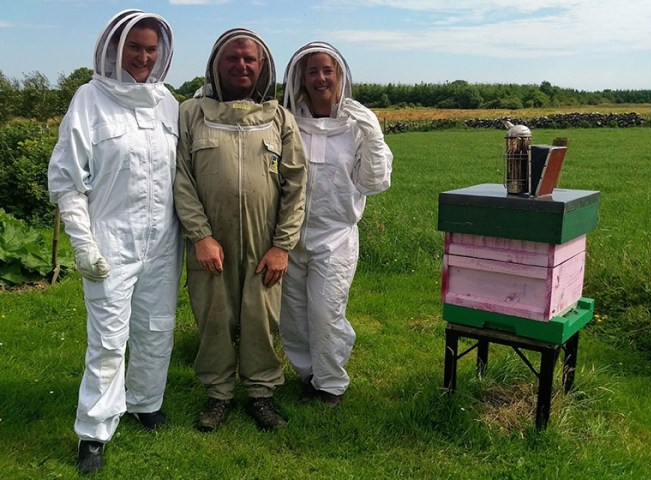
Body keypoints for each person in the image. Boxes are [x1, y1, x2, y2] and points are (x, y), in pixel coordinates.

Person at [47, 9, 182, 475]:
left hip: (164, 241)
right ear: (114, 48)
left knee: (157, 326)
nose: (144, 57)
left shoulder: (168, 103)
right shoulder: (88, 100)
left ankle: (146, 401)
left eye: (151, 50)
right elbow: (67, 180)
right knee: (107, 339)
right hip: (111, 240)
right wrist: (83, 243)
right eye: (135, 48)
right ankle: (95, 431)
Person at [173, 29, 307, 432]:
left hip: (265, 244)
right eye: (232, 58)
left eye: (250, 59)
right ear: (216, 64)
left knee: (260, 318)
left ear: (262, 65)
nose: (241, 65)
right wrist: (200, 235)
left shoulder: (280, 118)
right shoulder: (190, 114)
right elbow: (181, 178)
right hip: (211, 243)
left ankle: (261, 395)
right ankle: (218, 395)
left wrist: (283, 246)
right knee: (214, 317)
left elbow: (296, 184)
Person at [280, 43, 393, 405]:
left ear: (340, 75)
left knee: (326, 311)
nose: (321, 78)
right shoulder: (287, 122)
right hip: (289, 234)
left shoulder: (356, 125)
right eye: (312, 71)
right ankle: (309, 374)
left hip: (336, 235)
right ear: (300, 78)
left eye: (327, 70)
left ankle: (330, 383)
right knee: (293, 314)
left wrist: (373, 134)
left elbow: (374, 183)